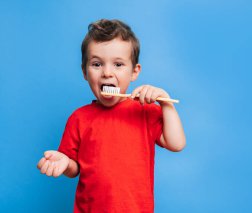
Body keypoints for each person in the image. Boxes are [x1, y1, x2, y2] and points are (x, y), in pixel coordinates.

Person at [36, 19, 186, 212]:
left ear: (134, 72)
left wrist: (165, 103)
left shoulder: (145, 111)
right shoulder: (79, 118)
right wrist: (65, 163)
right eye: (97, 64)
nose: (107, 73)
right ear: (84, 71)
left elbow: (177, 144)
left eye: (118, 64)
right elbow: (75, 169)